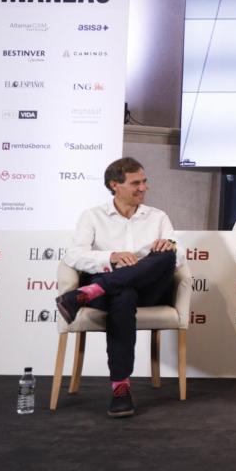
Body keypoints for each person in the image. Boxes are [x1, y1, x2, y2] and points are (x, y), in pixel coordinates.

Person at [57, 157, 180, 418]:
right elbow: (74, 256)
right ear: (115, 185)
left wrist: (165, 247)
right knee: (123, 295)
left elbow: (179, 259)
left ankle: (88, 292)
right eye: (136, 183)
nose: (143, 188)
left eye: (144, 181)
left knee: (168, 253)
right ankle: (120, 388)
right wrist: (110, 257)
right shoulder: (92, 216)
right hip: (115, 293)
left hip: (148, 290)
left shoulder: (158, 217)